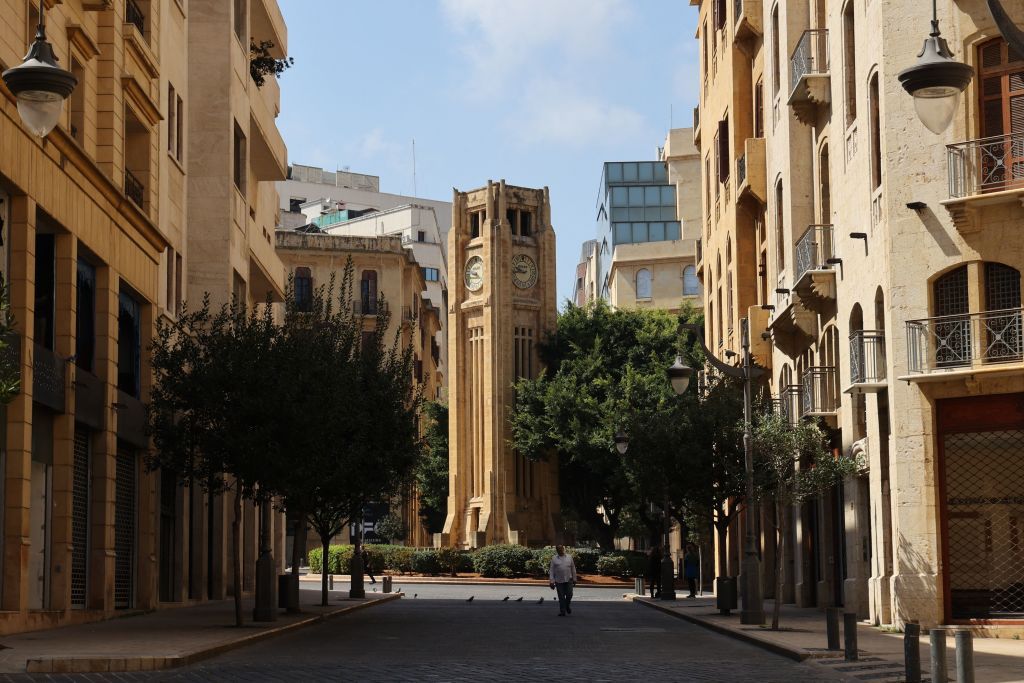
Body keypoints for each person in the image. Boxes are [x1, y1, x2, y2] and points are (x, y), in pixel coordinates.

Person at [548, 545, 577, 616]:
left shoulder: (569, 557)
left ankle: (567, 606)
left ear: (563, 549)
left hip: (568, 579)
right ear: (556, 550)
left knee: (569, 594)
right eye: (558, 549)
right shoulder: (554, 558)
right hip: (558, 580)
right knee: (561, 596)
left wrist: (574, 578)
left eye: (561, 549)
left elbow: (573, 568)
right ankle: (562, 611)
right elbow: (551, 570)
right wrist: (552, 581)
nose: (560, 550)